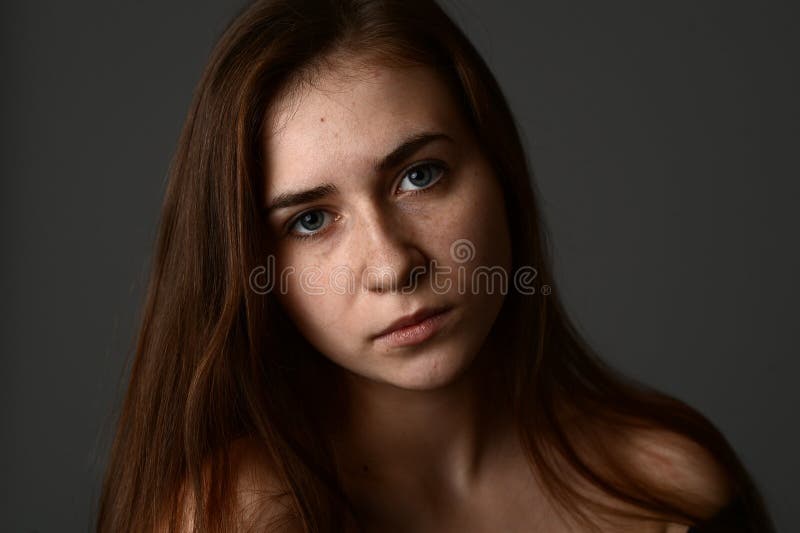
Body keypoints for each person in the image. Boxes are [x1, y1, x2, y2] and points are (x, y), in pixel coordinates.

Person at [97, 1, 775, 531]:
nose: (392, 264)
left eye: (420, 175)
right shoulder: (231, 517)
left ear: (499, 171)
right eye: (310, 220)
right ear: (251, 261)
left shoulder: (669, 485)